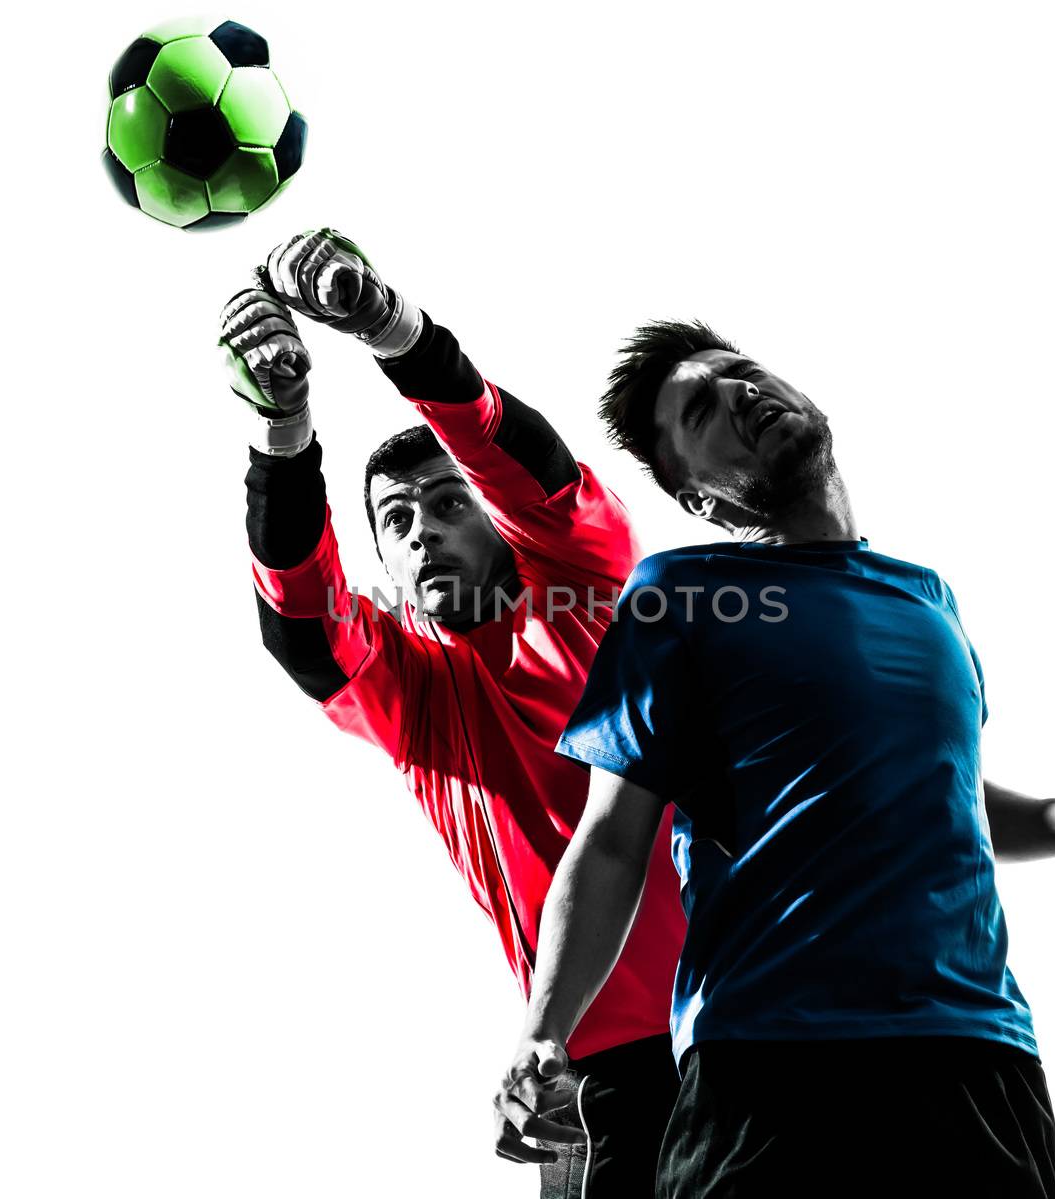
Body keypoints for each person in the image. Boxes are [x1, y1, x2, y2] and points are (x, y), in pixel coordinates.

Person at [491, 321, 1055, 1197]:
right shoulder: (679, 595)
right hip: (769, 1065)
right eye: (703, 408)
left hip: (976, 1057)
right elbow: (610, 839)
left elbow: (943, 792)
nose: (742, 393)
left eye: (742, 371)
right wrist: (545, 1030)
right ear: (697, 495)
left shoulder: (928, 596)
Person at [217, 231, 686, 1197]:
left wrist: (393, 330)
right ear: (384, 562)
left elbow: (526, 460)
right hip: (576, 1082)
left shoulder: (588, 592)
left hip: (746, 1035)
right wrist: (283, 430)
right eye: (396, 518)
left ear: (496, 519)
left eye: (446, 501)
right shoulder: (416, 698)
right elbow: (304, 627)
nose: (422, 525)